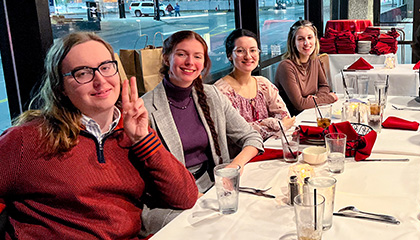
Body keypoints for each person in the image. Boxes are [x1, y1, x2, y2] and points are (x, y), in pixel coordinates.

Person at [0, 32, 198, 239]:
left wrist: (143, 140)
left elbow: (186, 197)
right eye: (83, 73)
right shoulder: (27, 138)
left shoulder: (132, 130)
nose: (101, 81)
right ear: (60, 88)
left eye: (106, 67)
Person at [141, 30, 263, 235]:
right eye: (182, 54)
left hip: (216, 189)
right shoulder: (146, 107)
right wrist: (199, 199)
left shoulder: (212, 95)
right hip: (169, 202)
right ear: (166, 57)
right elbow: (146, 178)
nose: (190, 62)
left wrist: (233, 167)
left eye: (197, 56)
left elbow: (252, 137)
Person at [215, 29, 295, 140]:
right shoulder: (221, 91)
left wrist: (272, 125)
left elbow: (285, 118)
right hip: (241, 155)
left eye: (253, 50)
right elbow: (235, 134)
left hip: (270, 147)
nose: (248, 56)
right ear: (229, 55)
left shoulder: (263, 84)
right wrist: (273, 124)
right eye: (240, 51)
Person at [275, 20, 338, 116]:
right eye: (300, 39)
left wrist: (315, 98)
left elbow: (324, 86)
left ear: (315, 39)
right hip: (293, 119)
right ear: (293, 43)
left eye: (310, 37)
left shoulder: (314, 59)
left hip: (312, 112)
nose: (306, 43)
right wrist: (330, 98)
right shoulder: (286, 66)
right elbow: (300, 105)